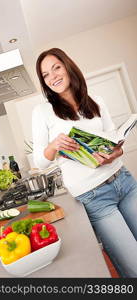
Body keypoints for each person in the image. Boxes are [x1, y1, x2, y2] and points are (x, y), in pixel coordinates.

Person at [32, 47, 137, 278]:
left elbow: (114, 141)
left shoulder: (95, 100)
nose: (53, 77)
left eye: (56, 68)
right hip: (95, 198)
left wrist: (112, 153)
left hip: (125, 183)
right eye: (45, 74)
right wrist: (53, 146)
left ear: (68, 67)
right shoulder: (43, 112)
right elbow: (39, 162)